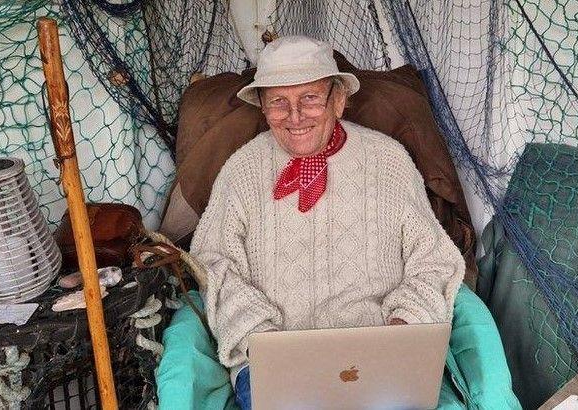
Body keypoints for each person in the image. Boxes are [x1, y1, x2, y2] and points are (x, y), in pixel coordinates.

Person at [190, 35, 465, 410]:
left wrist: (402, 327)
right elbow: (212, 263)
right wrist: (262, 338)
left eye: (309, 98)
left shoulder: (389, 160)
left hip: (375, 351)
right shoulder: (241, 170)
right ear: (263, 108)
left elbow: (434, 259)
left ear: (338, 100)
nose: (295, 117)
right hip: (271, 356)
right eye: (279, 103)